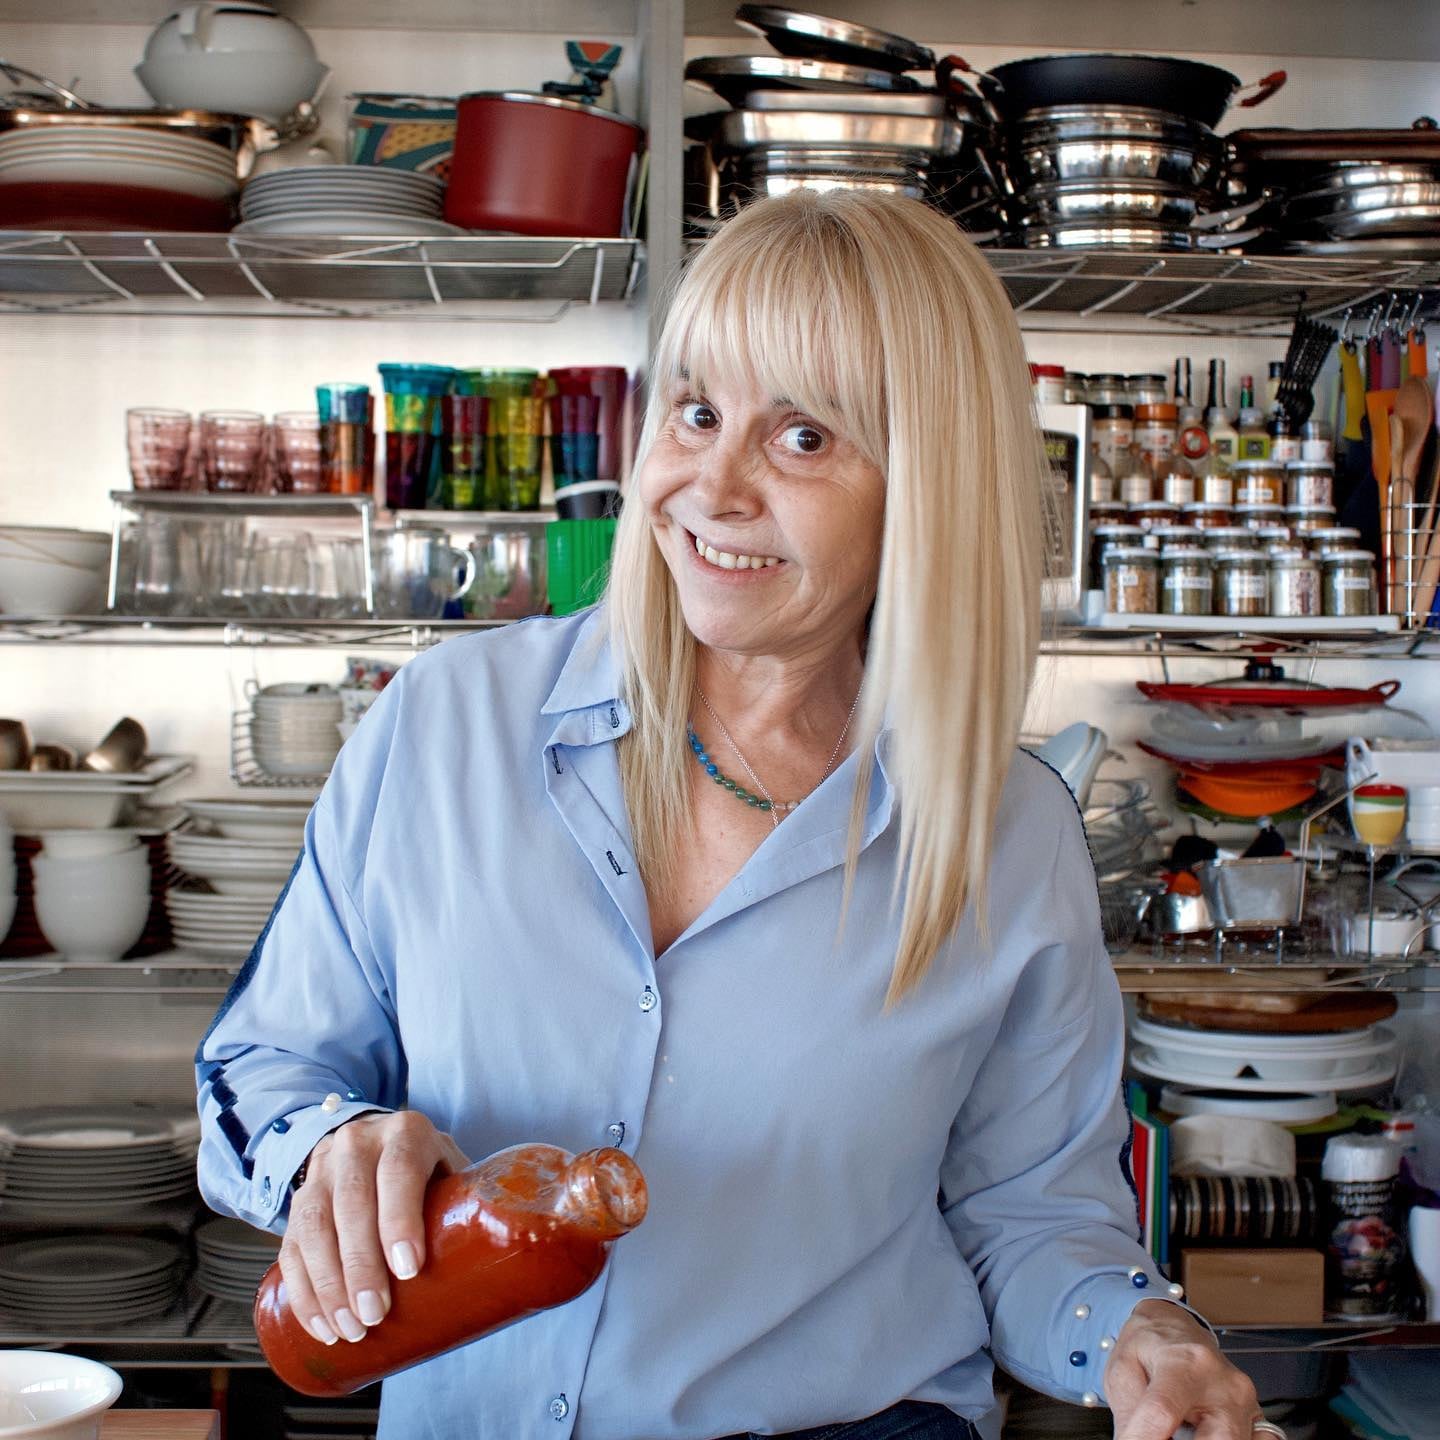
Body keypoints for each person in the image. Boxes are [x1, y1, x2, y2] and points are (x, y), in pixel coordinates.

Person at [197, 191, 1267, 1440]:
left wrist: (1144, 1332)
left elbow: (1029, 1214)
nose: (713, 484)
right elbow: (257, 1068)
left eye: (803, 437)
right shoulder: (447, 724)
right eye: (699, 411)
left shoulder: (1003, 834)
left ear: (928, 491)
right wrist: (337, 1146)